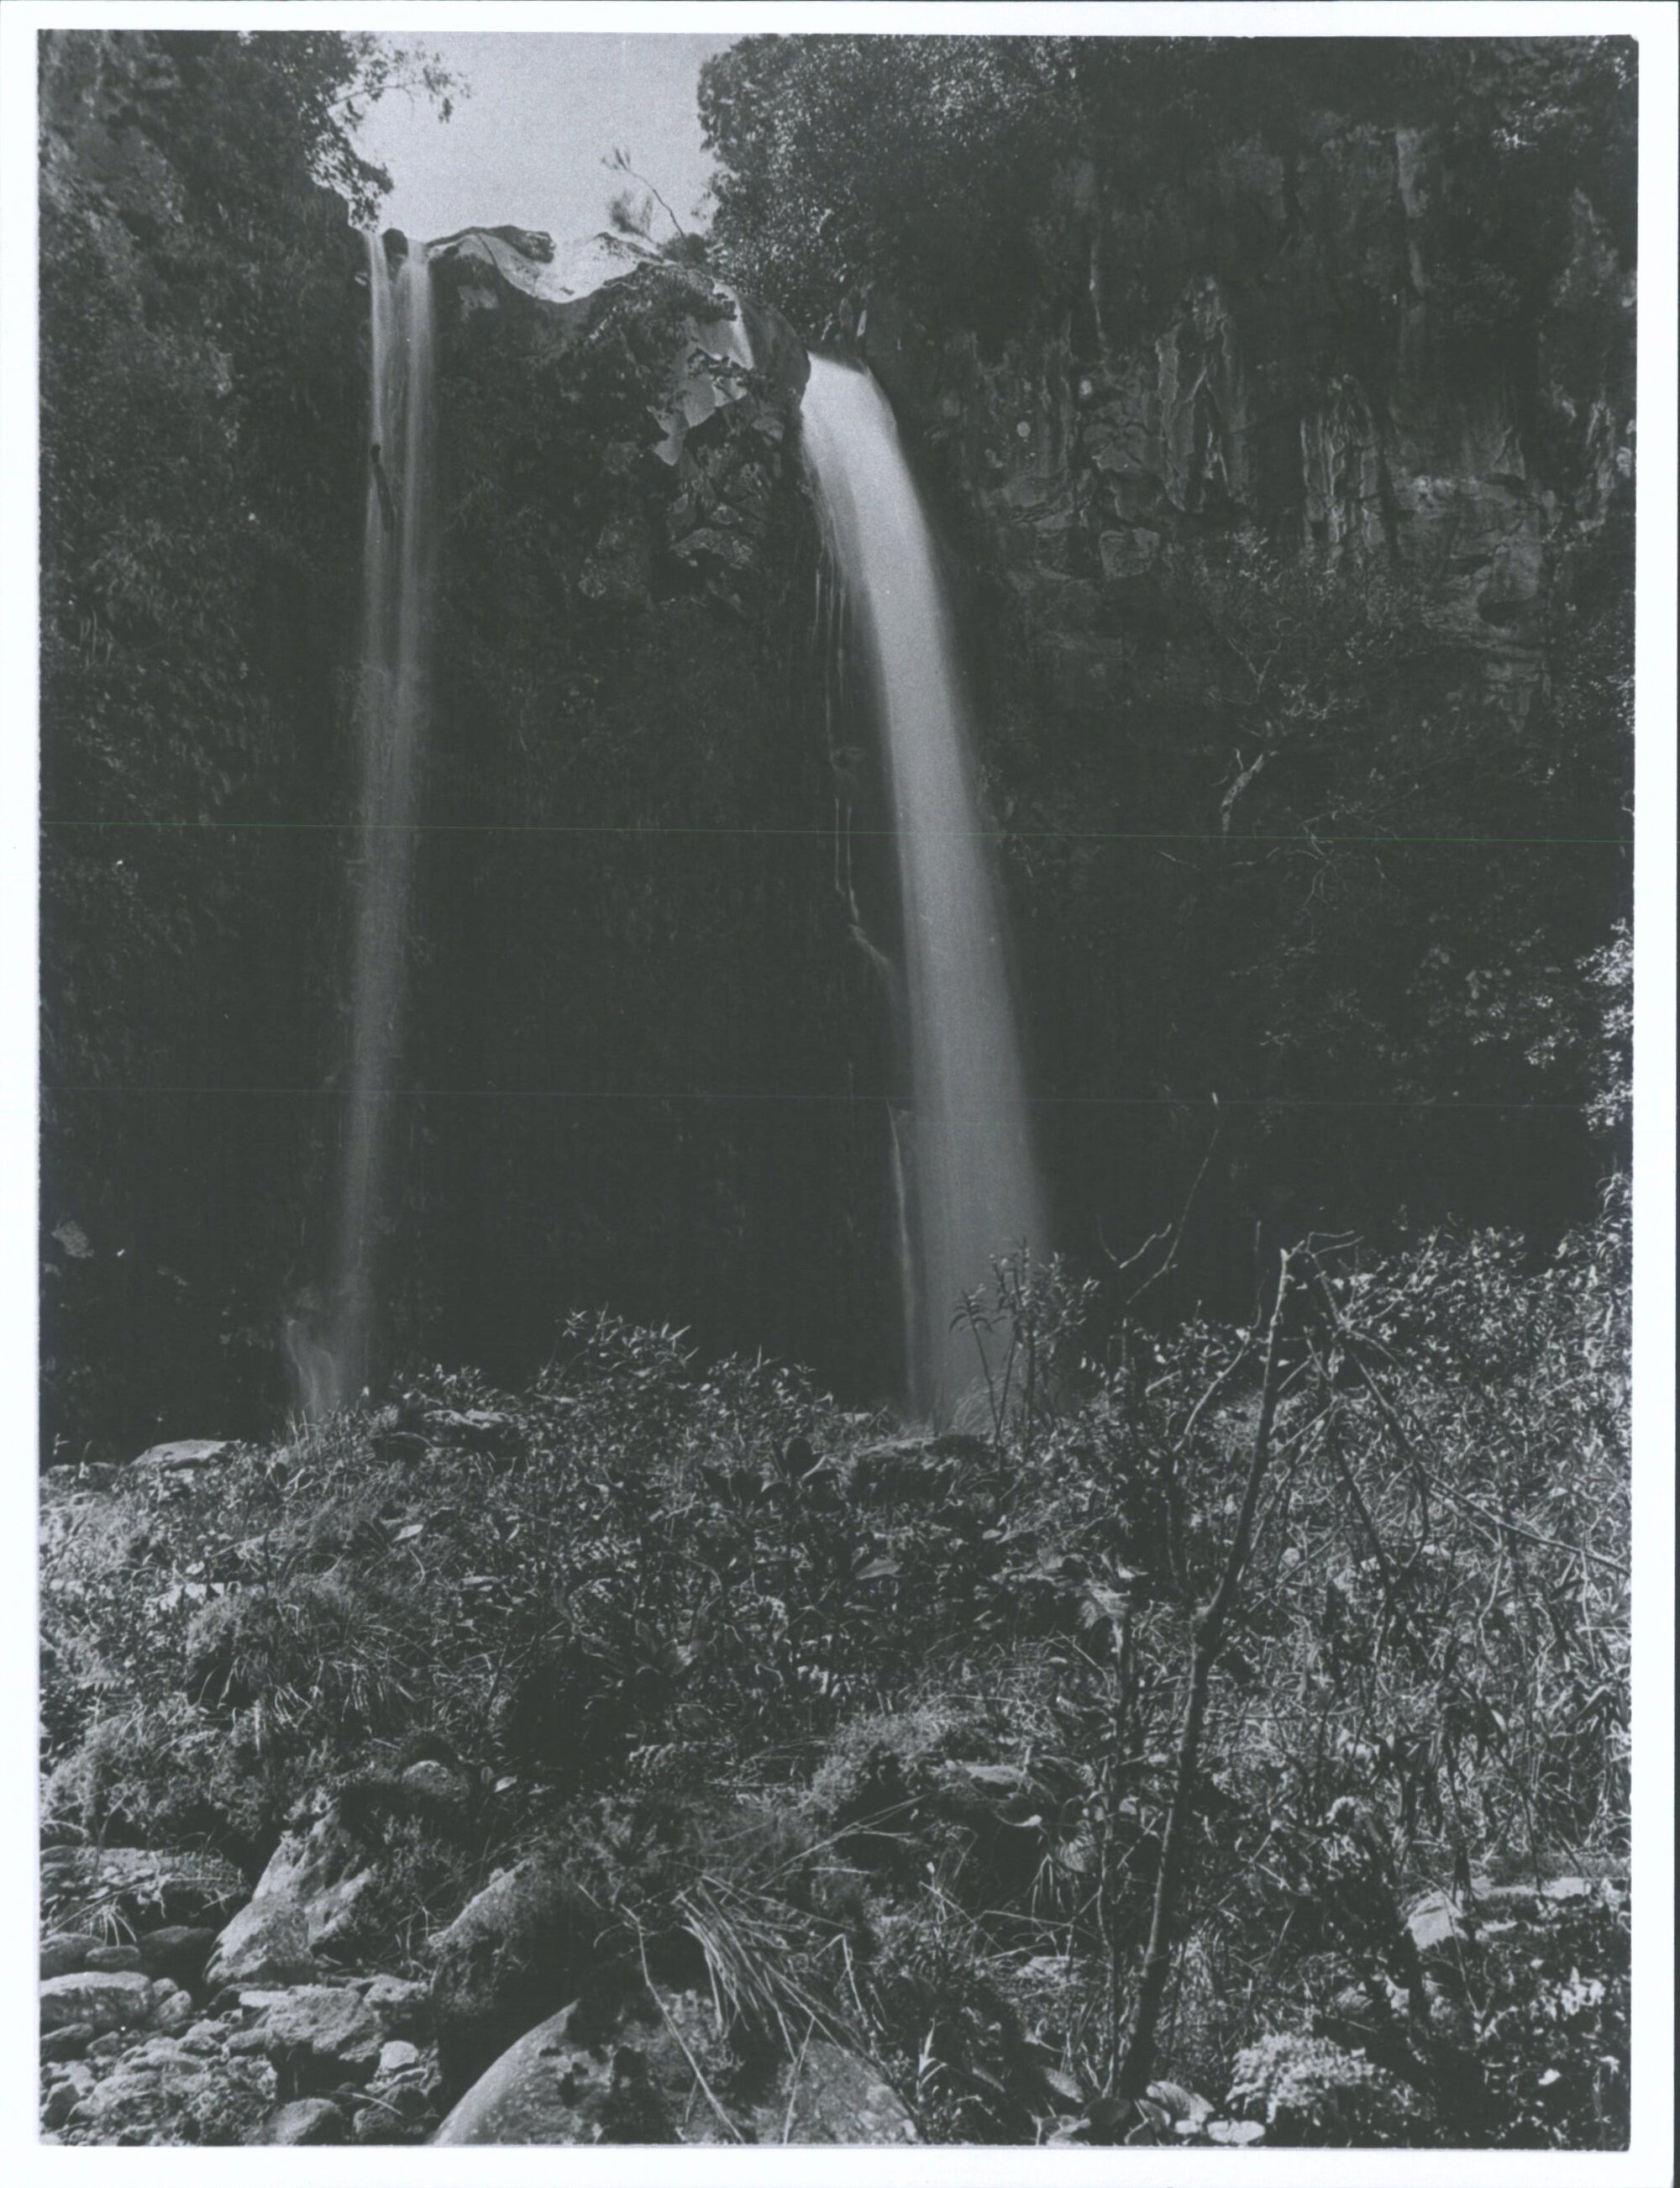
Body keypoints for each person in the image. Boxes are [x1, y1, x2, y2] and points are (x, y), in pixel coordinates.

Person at [370, 441, 396, 532]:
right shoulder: (377, 467)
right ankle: (388, 528)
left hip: (383, 492)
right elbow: (381, 482)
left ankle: (388, 528)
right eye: (377, 454)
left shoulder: (377, 467)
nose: (378, 456)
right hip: (383, 492)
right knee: (388, 512)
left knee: (387, 512)